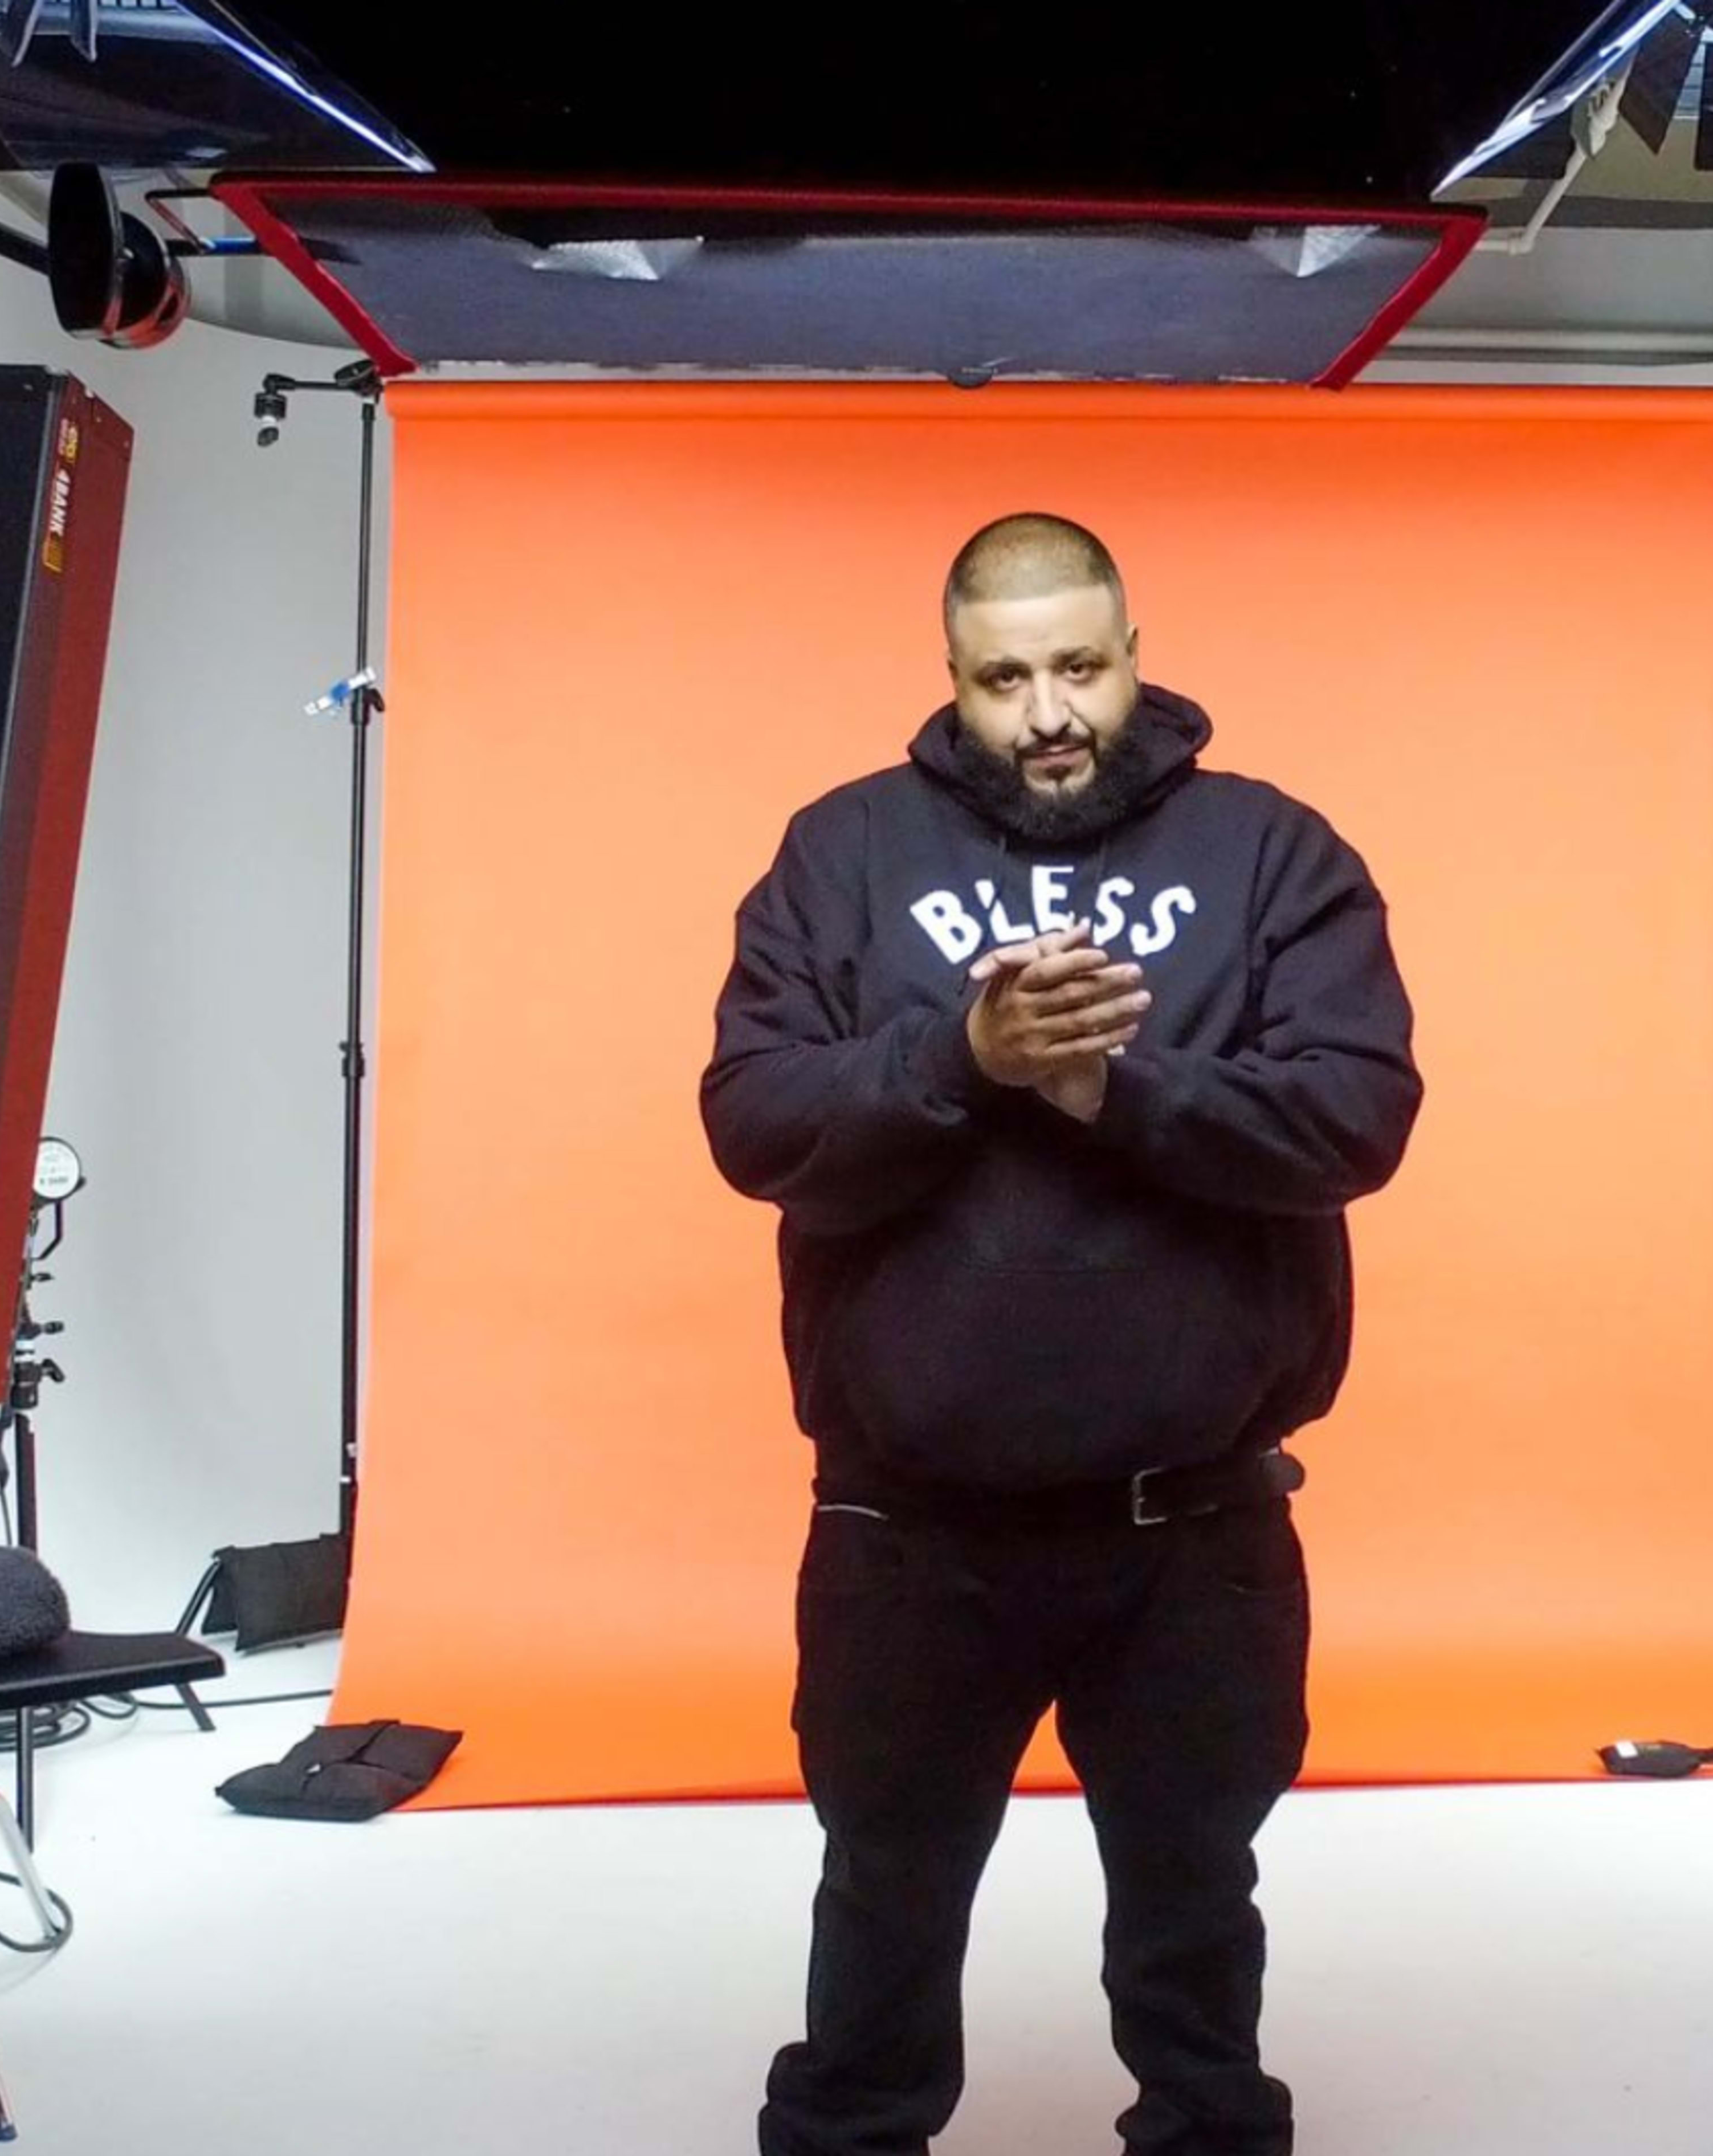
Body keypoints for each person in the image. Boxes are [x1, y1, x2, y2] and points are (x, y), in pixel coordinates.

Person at [700, 513, 1422, 2156]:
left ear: (1135, 653)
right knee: (882, 1905)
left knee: (1193, 1921)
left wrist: (1114, 1084)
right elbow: (750, 1122)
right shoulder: (844, 854)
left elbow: (1357, 1120)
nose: (1048, 713)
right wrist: (964, 1057)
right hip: (909, 1526)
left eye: (1079, 665)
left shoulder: (1270, 853)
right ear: (951, 681)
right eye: (1004, 676)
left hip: (1192, 1529)